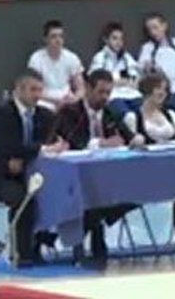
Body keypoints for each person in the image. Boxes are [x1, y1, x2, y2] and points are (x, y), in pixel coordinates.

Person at [52, 69, 144, 266]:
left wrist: (136, 139)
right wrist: (103, 143)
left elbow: (127, 137)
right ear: (87, 89)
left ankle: (95, 230)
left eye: (108, 93)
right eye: (101, 92)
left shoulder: (111, 111)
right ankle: (88, 240)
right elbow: (74, 142)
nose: (105, 97)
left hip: (107, 178)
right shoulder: (70, 112)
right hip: (73, 177)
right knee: (89, 198)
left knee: (135, 189)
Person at [0, 69, 67, 266]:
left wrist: (50, 148)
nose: (37, 95)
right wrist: (39, 150)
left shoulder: (45, 116)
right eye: (33, 90)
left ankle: (43, 243)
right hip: (2, 177)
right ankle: (22, 253)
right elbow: (5, 147)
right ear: (19, 89)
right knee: (25, 198)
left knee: (55, 192)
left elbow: (52, 142)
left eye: (40, 90)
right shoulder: (2, 113)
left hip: (33, 174)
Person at [122, 74, 175, 260]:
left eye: (165, 89)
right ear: (146, 90)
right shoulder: (132, 117)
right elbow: (128, 146)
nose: (162, 92)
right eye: (157, 88)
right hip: (143, 175)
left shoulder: (171, 114)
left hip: (172, 173)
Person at [136, 13, 175, 124]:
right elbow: (143, 68)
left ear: (164, 26)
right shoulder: (148, 48)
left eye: (155, 27)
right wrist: (149, 68)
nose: (153, 32)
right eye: (150, 29)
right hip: (165, 90)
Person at [28, 19, 85, 110]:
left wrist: (74, 99)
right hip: (44, 100)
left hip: (67, 100)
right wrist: (55, 101)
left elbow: (81, 88)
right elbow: (33, 89)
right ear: (45, 39)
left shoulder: (72, 58)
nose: (58, 40)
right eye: (53, 37)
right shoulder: (36, 59)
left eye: (61, 36)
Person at [89, 22, 141, 115]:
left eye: (121, 39)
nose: (118, 42)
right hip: (113, 96)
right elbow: (94, 78)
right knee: (129, 117)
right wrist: (116, 81)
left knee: (144, 113)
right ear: (106, 39)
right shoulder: (100, 57)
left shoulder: (127, 57)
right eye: (114, 38)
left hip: (132, 94)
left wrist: (132, 80)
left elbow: (135, 75)